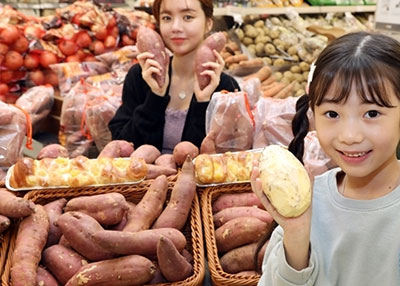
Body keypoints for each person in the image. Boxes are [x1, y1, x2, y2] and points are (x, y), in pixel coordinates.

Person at [251, 31, 400, 285]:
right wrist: (296, 234)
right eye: (332, 113)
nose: (350, 136)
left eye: (372, 113)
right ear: (313, 115)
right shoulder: (308, 202)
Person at [108, 0, 240, 153]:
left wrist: (203, 102)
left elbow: (223, 158)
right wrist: (155, 98)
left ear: (208, 23)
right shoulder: (140, 76)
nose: (175, 27)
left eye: (188, 17)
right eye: (167, 18)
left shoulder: (225, 88)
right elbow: (121, 147)